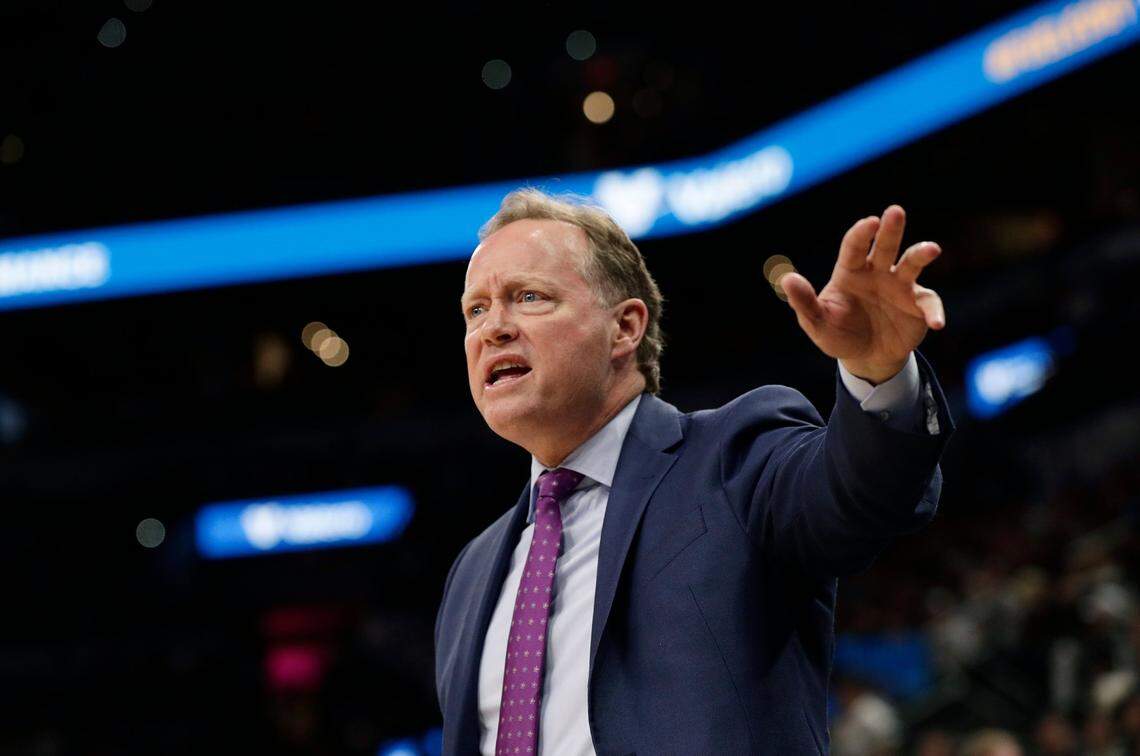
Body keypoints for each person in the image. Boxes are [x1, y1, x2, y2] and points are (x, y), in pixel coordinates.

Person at [435, 188, 955, 754]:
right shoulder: (473, 571)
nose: (493, 328)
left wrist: (877, 371)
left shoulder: (734, 457)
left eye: (529, 297)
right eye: (476, 310)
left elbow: (863, 495)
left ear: (626, 328)